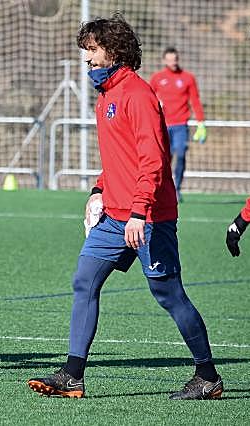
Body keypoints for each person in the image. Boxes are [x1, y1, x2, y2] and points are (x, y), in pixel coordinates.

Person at [27, 14, 222, 400]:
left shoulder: (138, 94)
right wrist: (98, 190)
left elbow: (153, 160)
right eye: (85, 51)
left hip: (148, 217)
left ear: (114, 51)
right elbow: (120, 158)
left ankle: (207, 376)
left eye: (92, 50)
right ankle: (73, 375)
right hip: (115, 215)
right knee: (84, 280)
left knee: (169, 294)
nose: (87, 58)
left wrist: (139, 212)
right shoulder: (106, 96)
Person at [150, 47, 206, 201]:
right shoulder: (157, 78)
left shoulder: (188, 78)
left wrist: (201, 122)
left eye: (174, 59)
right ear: (164, 61)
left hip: (181, 125)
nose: (172, 62)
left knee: (180, 154)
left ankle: (177, 188)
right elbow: (149, 99)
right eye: (169, 60)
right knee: (163, 158)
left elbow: (195, 100)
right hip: (162, 125)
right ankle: (162, 189)